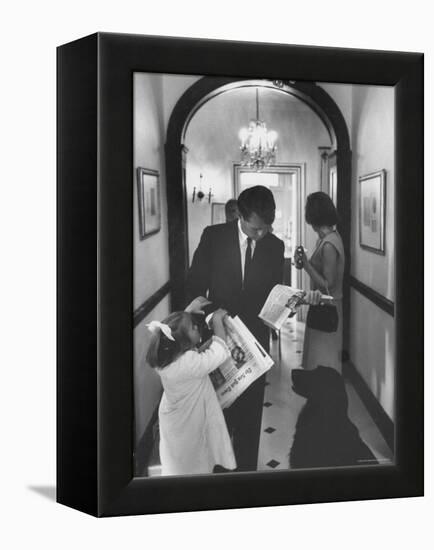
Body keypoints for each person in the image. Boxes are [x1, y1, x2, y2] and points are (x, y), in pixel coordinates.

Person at [187, 185, 285, 471]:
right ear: (240, 216)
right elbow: (192, 286)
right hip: (217, 340)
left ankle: (245, 478)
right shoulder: (213, 237)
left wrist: (287, 304)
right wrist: (212, 315)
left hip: (255, 345)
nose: (262, 234)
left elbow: (273, 294)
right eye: (256, 229)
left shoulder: (275, 245)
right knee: (218, 415)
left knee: (250, 417)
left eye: (266, 228)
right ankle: (218, 474)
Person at [146, 308, 236, 476]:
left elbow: (184, 343)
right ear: (183, 341)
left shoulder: (165, 359)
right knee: (195, 455)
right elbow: (220, 351)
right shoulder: (189, 363)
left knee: (177, 457)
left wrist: (187, 313)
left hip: (174, 418)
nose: (197, 327)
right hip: (190, 419)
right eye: (193, 327)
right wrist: (217, 321)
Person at [294, 192, 345, 373]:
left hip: (328, 308)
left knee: (323, 362)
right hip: (320, 304)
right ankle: (317, 397)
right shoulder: (325, 239)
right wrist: (303, 263)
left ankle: (323, 398)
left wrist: (306, 265)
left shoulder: (329, 244)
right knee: (316, 360)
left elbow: (327, 284)